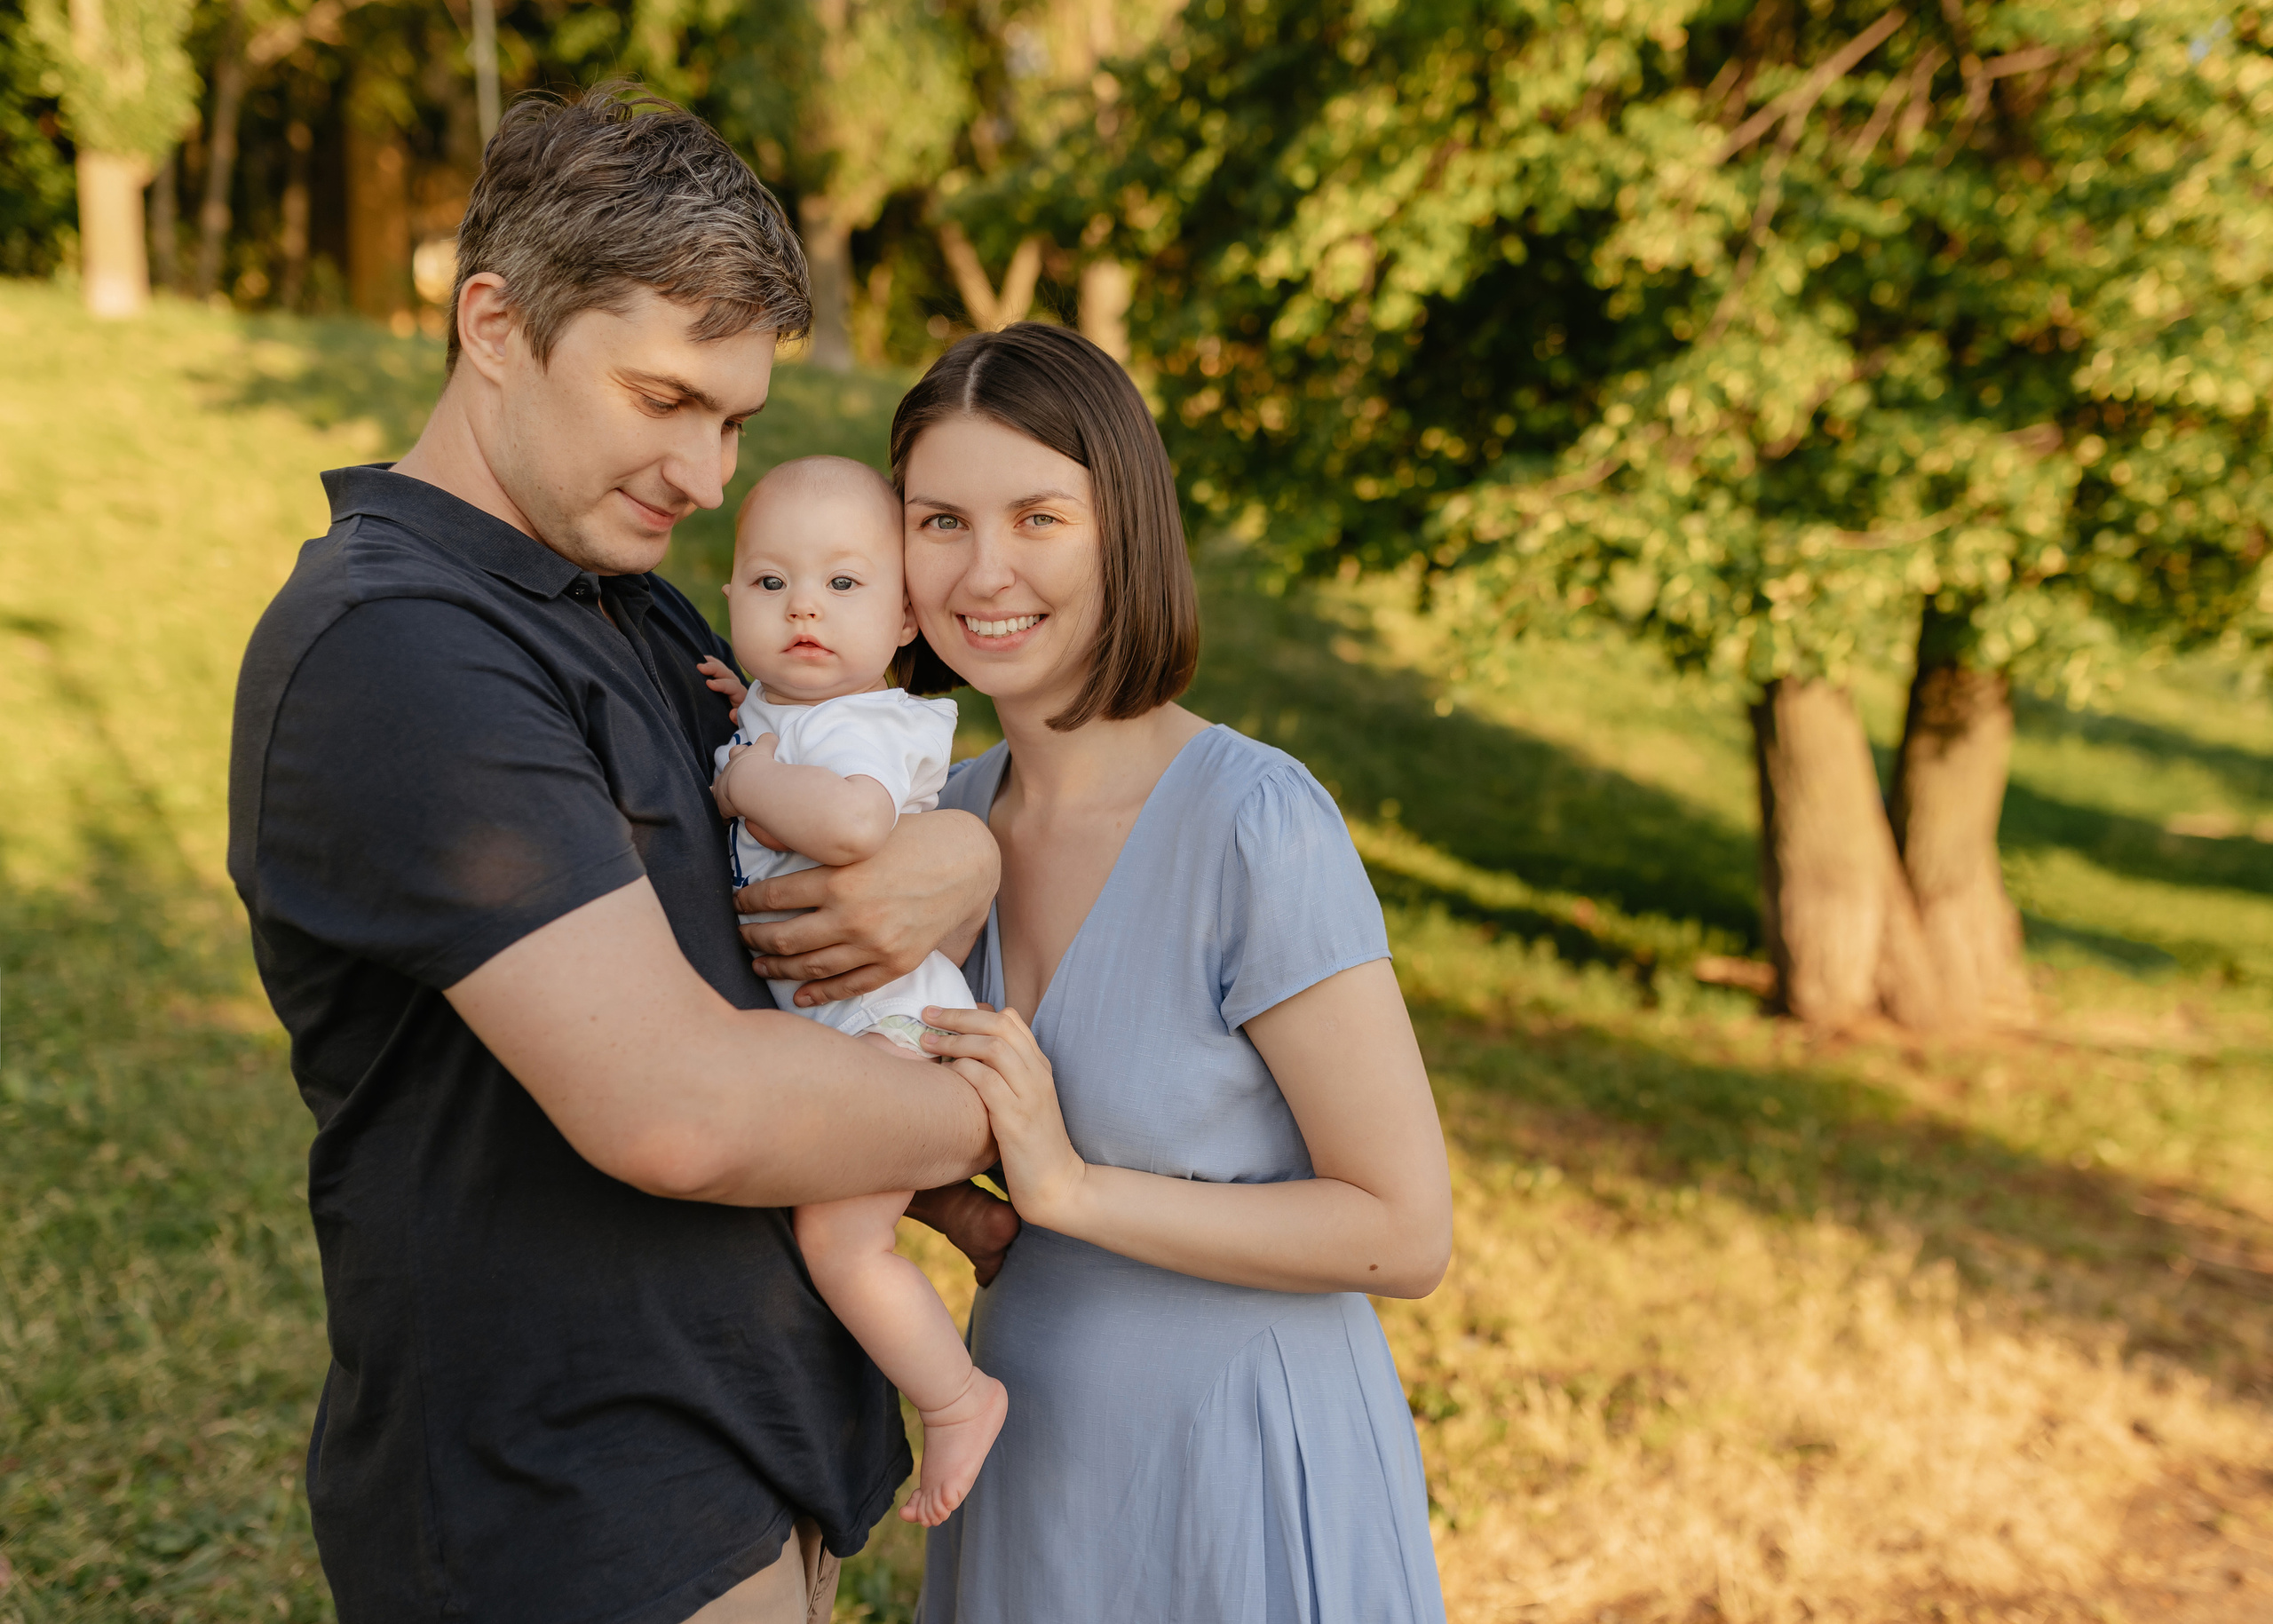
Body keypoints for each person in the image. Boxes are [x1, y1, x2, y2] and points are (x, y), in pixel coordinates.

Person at [226, 85, 1008, 1624]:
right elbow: (680, 1110)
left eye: (736, 420)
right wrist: (981, 1106)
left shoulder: (628, 604)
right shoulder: (395, 649)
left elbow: (861, 828)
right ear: (496, 324)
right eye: (666, 401)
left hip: (751, 1447)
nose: (713, 478)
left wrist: (957, 860)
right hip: (568, 1496)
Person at [895, 323, 1456, 1622]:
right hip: (1030, 1463)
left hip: (1236, 1468)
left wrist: (1072, 1188)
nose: (987, 570)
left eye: (1039, 515)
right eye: (940, 522)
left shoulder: (1255, 822)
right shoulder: (941, 829)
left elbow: (1404, 1229)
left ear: (1124, 532)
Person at [696, 455, 1009, 1528]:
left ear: (906, 620)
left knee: (837, 1236)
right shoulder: (791, 710)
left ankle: (960, 1396)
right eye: (771, 583)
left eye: (843, 585)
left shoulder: (868, 725)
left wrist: (743, 777)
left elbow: (851, 824)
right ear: (730, 595)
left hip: (884, 1022)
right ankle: (962, 1210)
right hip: (841, 1021)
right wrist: (754, 717)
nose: (804, 611)